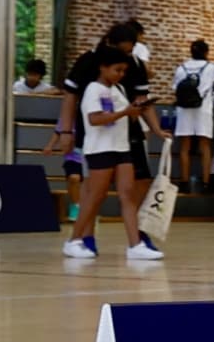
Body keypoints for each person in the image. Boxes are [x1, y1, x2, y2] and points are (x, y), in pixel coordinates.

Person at [64, 48, 161, 263]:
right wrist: (125, 112)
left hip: (121, 148)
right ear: (103, 68)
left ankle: (135, 244)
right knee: (94, 197)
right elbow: (95, 119)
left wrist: (135, 110)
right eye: (117, 69)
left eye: (124, 70)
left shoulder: (118, 89)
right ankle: (74, 239)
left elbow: (122, 115)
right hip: (100, 149)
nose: (121, 74)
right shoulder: (93, 90)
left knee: (128, 194)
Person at [168, 39, 214, 185]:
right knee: (205, 146)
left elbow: (175, 88)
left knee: (184, 146)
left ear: (191, 52)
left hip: (184, 109)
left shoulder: (181, 68)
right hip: (203, 110)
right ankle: (206, 181)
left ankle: (184, 181)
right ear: (206, 52)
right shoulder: (211, 67)